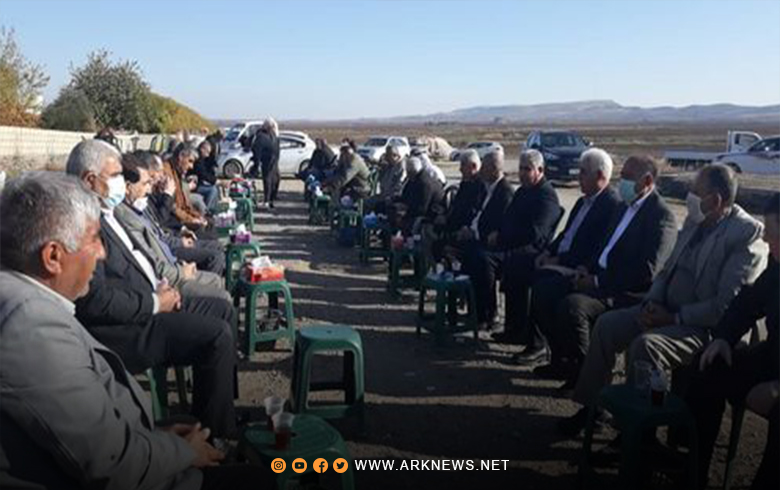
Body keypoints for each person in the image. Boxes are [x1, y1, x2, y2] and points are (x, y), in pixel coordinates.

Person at [0, 171, 273, 490]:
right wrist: (182, 451)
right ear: (53, 257)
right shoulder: (30, 327)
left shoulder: (27, 300)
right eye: (94, 240)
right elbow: (112, 464)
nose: (102, 253)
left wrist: (154, 435)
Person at [560, 163, 765, 437]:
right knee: (607, 326)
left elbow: (723, 307)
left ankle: (638, 434)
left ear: (715, 200)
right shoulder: (696, 222)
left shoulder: (744, 235)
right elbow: (665, 271)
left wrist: (674, 317)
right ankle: (593, 409)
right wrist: (651, 302)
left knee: (646, 347)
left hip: (699, 327)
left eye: (695, 191)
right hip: (662, 311)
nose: (689, 196)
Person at [65, 140, 239, 438]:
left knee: (222, 308)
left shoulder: (108, 213)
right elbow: (96, 301)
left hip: (152, 298)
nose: (124, 181)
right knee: (216, 336)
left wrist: (160, 288)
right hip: (128, 327)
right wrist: (156, 302)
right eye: (117, 174)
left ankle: (222, 406)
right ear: (90, 180)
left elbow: (139, 257)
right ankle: (216, 437)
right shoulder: (82, 226)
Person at [686, 193, 778, 490]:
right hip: (773, 357)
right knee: (708, 364)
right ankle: (695, 472)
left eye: (773, 233)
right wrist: (724, 337)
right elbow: (749, 301)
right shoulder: (778, 264)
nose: (766, 240)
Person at [507, 149, 620, 366]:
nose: (578, 177)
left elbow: (594, 248)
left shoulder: (610, 205)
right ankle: (538, 342)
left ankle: (548, 349)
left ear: (600, 176)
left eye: (583, 173)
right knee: (520, 265)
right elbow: (565, 235)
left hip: (580, 267)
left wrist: (559, 260)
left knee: (543, 286)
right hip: (560, 259)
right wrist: (548, 252)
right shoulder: (582, 202)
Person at [462, 149, 561, 330]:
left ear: (540, 170)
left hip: (531, 250)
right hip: (511, 243)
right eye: (521, 168)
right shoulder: (523, 191)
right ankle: (484, 315)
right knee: (473, 253)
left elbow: (535, 233)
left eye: (527, 169)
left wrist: (502, 236)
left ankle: (490, 316)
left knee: (485, 259)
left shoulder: (546, 196)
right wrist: (499, 233)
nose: (522, 173)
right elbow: (508, 218)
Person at [115, 152, 229, 301]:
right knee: (216, 264)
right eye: (147, 182)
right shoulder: (130, 211)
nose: (159, 178)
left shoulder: (141, 200)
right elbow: (162, 222)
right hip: (169, 259)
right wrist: (181, 270)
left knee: (214, 241)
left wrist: (186, 225)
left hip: (171, 246)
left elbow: (163, 222)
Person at [137, 151, 225, 275]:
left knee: (215, 240)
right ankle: (209, 286)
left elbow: (177, 207)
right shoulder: (144, 197)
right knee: (214, 253)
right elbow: (162, 219)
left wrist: (186, 224)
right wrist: (185, 227)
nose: (162, 176)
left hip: (173, 234)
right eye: (159, 172)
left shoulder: (155, 188)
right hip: (169, 244)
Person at [431, 150, 486, 261]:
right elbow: (456, 206)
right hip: (455, 225)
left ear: (473, 166)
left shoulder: (481, 186)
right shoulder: (465, 183)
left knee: (441, 244)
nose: (460, 169)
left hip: (467, 228)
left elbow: (473, 211)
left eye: (463, 166)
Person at [393, 156, 444, 235]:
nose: (407, 175)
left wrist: (406, 210)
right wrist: (395, 200)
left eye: (408, 172)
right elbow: (405, 196)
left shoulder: (425, 183)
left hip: (431, 214)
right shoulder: (412, 180)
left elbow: (422, 208)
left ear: (412, 172)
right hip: (417, 210)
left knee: (402, 221)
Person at [165, 144, 209, 229]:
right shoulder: (167, 173)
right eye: (190, 161)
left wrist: (197, 216)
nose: (191, 166)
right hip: (173, 224)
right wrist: (191, 220)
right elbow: (173, 207)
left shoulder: (177, 172)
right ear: (181, 157)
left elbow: (185, 204)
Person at [250, 118, 281, 208]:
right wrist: (257, 162)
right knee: (269, 180)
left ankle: (269, 200)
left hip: (271, 161)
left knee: (271, 180)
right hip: (270, 160)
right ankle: (268, 200)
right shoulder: (266, 135)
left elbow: (258, 150)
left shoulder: (269, 135)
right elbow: (257, 150)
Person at [367, 145, 407, 214]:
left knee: (375, 204)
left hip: (392, 196)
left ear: (395, 156)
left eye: (388, 156)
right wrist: (382, 169)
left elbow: (398, 187)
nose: (387, 158)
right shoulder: (389, 166)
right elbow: (381, 181)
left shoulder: (401, 168)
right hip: (383, 195)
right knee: (367, 201)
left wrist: (387, 196)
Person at [192, 140, 220, 211]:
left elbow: (207, 172)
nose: (208, 155)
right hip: (194, 185)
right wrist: (215, 180)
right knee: (212, 190)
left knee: (215, 188)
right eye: (207, 152)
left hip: (198, 183)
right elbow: (202, 174)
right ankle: (207, 211)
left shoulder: (203, 159)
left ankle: (213, 209)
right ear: (202, 149)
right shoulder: (197, 158)